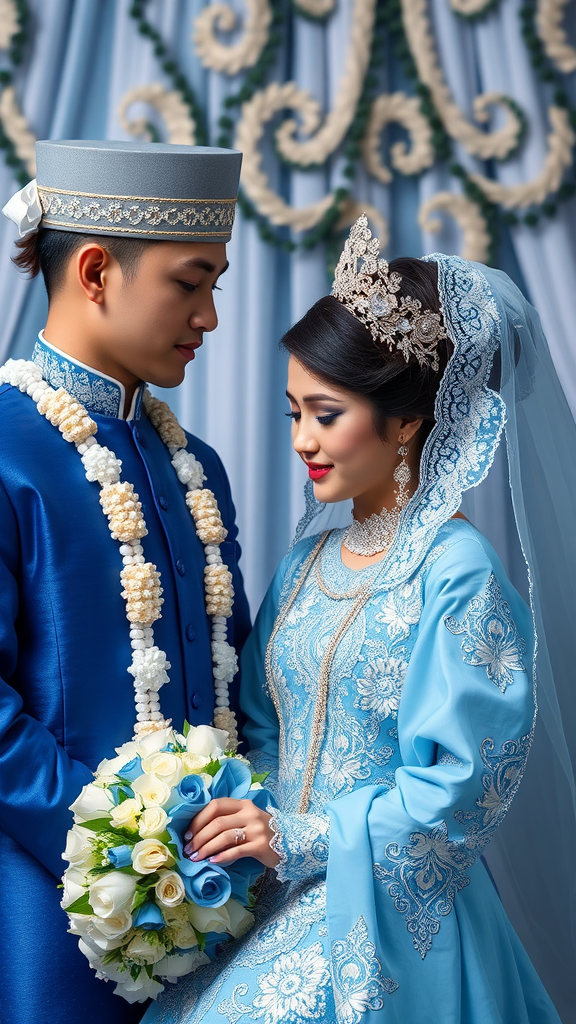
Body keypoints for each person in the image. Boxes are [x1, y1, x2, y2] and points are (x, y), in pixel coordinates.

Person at [142, 216, 576, 1023]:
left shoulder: (456, 572)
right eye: (293, 415)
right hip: (272, 892)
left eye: (326, 413)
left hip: (393, 910)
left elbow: (461, 789)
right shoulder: (305, 565)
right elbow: (262, 728)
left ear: (406, 421)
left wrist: (299, 838)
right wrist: (236, 825)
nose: (304, 441)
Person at [0, 140, 251, 1024]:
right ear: (97, 272)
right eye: (190, 283)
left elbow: (236, 678)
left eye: (215, 285)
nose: (209, 316)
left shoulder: (195, 467)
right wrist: (114, 845)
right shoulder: (5, 447)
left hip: (221, 903)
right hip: (47, 905)